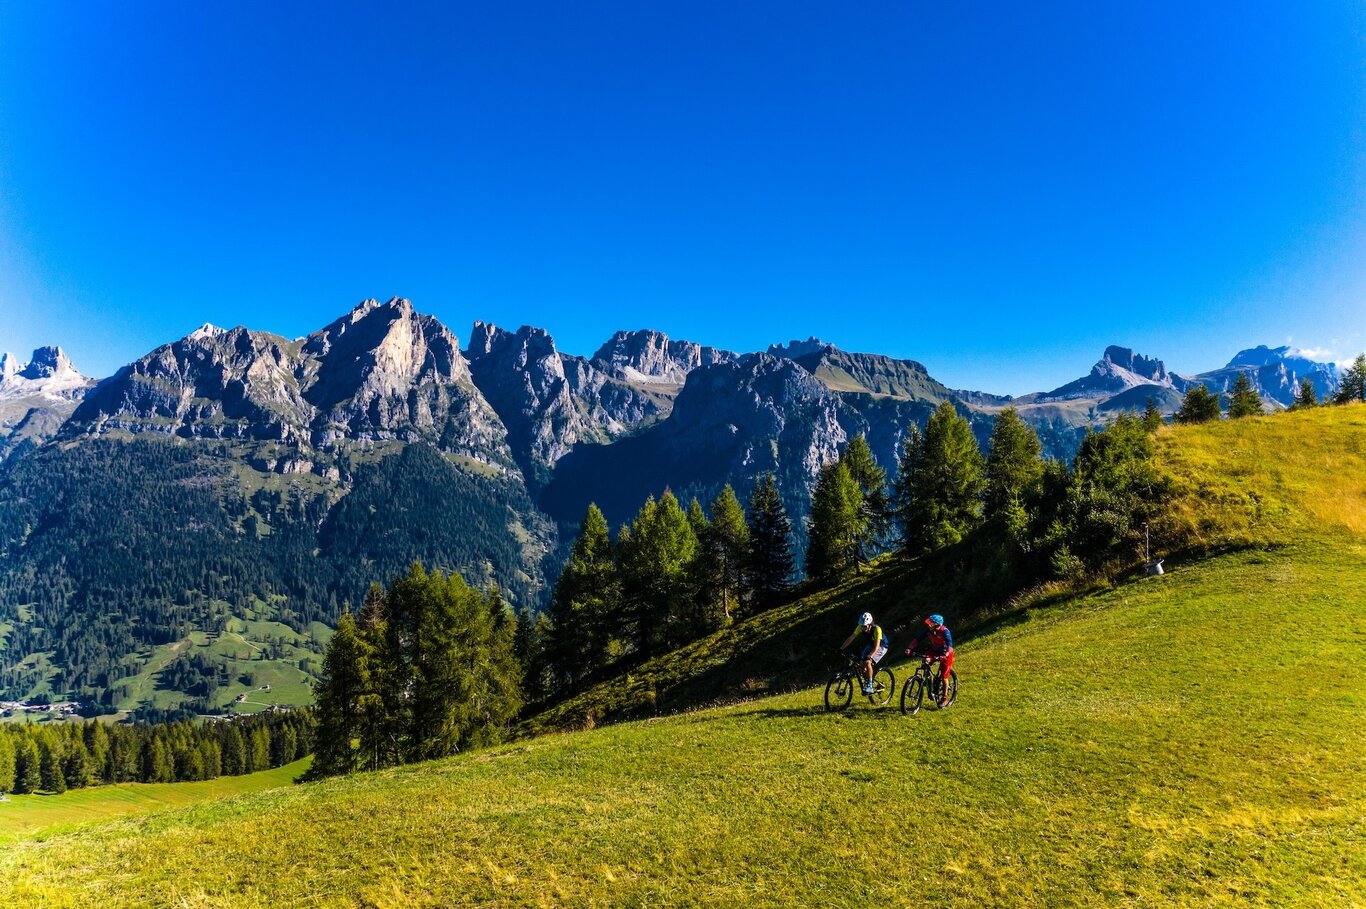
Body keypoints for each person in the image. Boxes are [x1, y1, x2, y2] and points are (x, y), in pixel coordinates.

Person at [906, 614, 955, 706]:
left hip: (946, 654)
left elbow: (950, 645)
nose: (928, 625)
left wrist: (946, 655)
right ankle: (930, 685)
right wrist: (909, 648)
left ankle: (945, 698)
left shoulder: (945, 631)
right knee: (925, 661)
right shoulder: (929, 630)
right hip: (935, 651)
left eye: (931, 624)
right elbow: (917, 639)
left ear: (937, 625)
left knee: (944, 676)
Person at [839, 612, 888, 695]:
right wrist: (841, 648)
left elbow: (876, 647)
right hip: (871, 645)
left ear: (870, 624)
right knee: (860, 665)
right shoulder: (860, 627)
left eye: (865, 626)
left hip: (881, 646)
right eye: (862, 626)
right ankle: (867, 681)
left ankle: (870, 686)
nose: (863, 628)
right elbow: (851, 638)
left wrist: (870, 656)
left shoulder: (877, 629)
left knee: (867, 662)